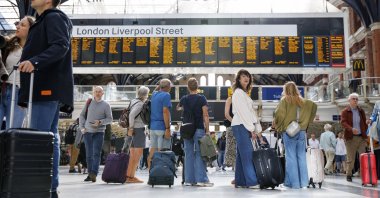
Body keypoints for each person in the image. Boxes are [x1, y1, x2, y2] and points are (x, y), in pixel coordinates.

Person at [17, 1, 74, 197]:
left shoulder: (54, 17)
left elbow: (60, 46)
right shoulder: (43, 21)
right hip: (43, 87)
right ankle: (48, 187)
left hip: (45, 87)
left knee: (41, 139)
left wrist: (35, 61)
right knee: (49, 139)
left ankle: (42, 187)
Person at [274, 81, 317, 189]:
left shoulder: (285, 101)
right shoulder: (305, 102)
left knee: (291, 157)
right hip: (301, 131)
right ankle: (303, 183)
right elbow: (314, 106)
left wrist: (278, 125)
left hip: (289, 132)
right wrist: (307, 122)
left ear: (285, 90)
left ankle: (295, 184)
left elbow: (279, 114)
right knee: (301, 157)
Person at [177, 77, 213, 187]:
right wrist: (207, 129)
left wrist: (185, 109)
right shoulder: (201, 98)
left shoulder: (184, 98)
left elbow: (178, 108)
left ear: (188, 87)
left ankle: (189, 180)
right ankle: (201, 179)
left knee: (188, 154)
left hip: (187, 128)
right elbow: (205, 114)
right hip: (198, 128)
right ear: (197, 87)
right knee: (199, 153)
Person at [0, 16, 34, 129]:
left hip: (19, 93)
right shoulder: (8, 45)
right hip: (3, 89)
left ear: (31, 30)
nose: (18, 26)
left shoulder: (35, 49)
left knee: (13, 130)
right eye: (18, 24)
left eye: (23, 25)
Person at [231, 69, 261, 188]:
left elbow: (251, 113)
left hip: (242, 125)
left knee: (241, 155)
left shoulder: (243, 94)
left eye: (248, 76)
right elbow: (244, 113)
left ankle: (240, 180)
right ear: (238, 79)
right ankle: (252, 181)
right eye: (243, 76)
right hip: (240, 125)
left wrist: (256, 129)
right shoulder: (238, 93)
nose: (246, 78)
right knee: (247, 154)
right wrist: (251, 129)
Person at [79, 86, 113, 183]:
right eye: (96, 92)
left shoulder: (106, 105)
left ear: (103, 93)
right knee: (89, 154)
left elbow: (110, 119)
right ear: (93, 93)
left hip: (99, 132)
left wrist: (100, 122)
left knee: (96, 154)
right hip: (87, 132)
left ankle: (94, 173)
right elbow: (81, 115)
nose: (97, 93)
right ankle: (90, 174)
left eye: (99, 92)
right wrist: (82, 128)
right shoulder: (89, 103)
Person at [340, 93, 368, 182]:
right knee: (350, 159)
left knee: (363, 157)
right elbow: (343, 122)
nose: (355, 100)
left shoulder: (361, 111)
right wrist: (351, 129)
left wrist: (365, 133)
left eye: (356, 99)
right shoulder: (345, 111)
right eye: (353, 99)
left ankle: (364, 175)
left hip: (361, 138)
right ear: (349, 100)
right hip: (350, 138)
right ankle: (349, 174)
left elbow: (364, 122)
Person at [125, 86, 150, 183]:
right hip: (138, 129)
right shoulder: (140, 104)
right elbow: (131, 115)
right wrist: (131, 128)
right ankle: (131, 176)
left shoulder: (133, 101)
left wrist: (130, 128)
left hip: (133, 130)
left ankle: (129, 176)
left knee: (132, 155)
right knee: (138, 154)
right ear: (145, 95)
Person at [148, 79, 172, 169]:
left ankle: (151, 171)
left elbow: (156, 89)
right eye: (170, 86)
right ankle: (161, 171)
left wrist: (160, 85)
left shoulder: (154, 95)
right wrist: (168, 128)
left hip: (153, 127)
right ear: (167, 87)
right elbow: (165, 112)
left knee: (153, 149)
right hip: (162, 127)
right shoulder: (166, 95)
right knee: (162, 151)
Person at [224, 96, 236, 184]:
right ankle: (237, 176)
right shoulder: (230, 99)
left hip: (241, 127)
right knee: (233, 152)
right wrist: (235, 122)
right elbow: (227, 114)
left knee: (238, 152)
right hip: (232, 127)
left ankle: (238, 176)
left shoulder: (244, 98)